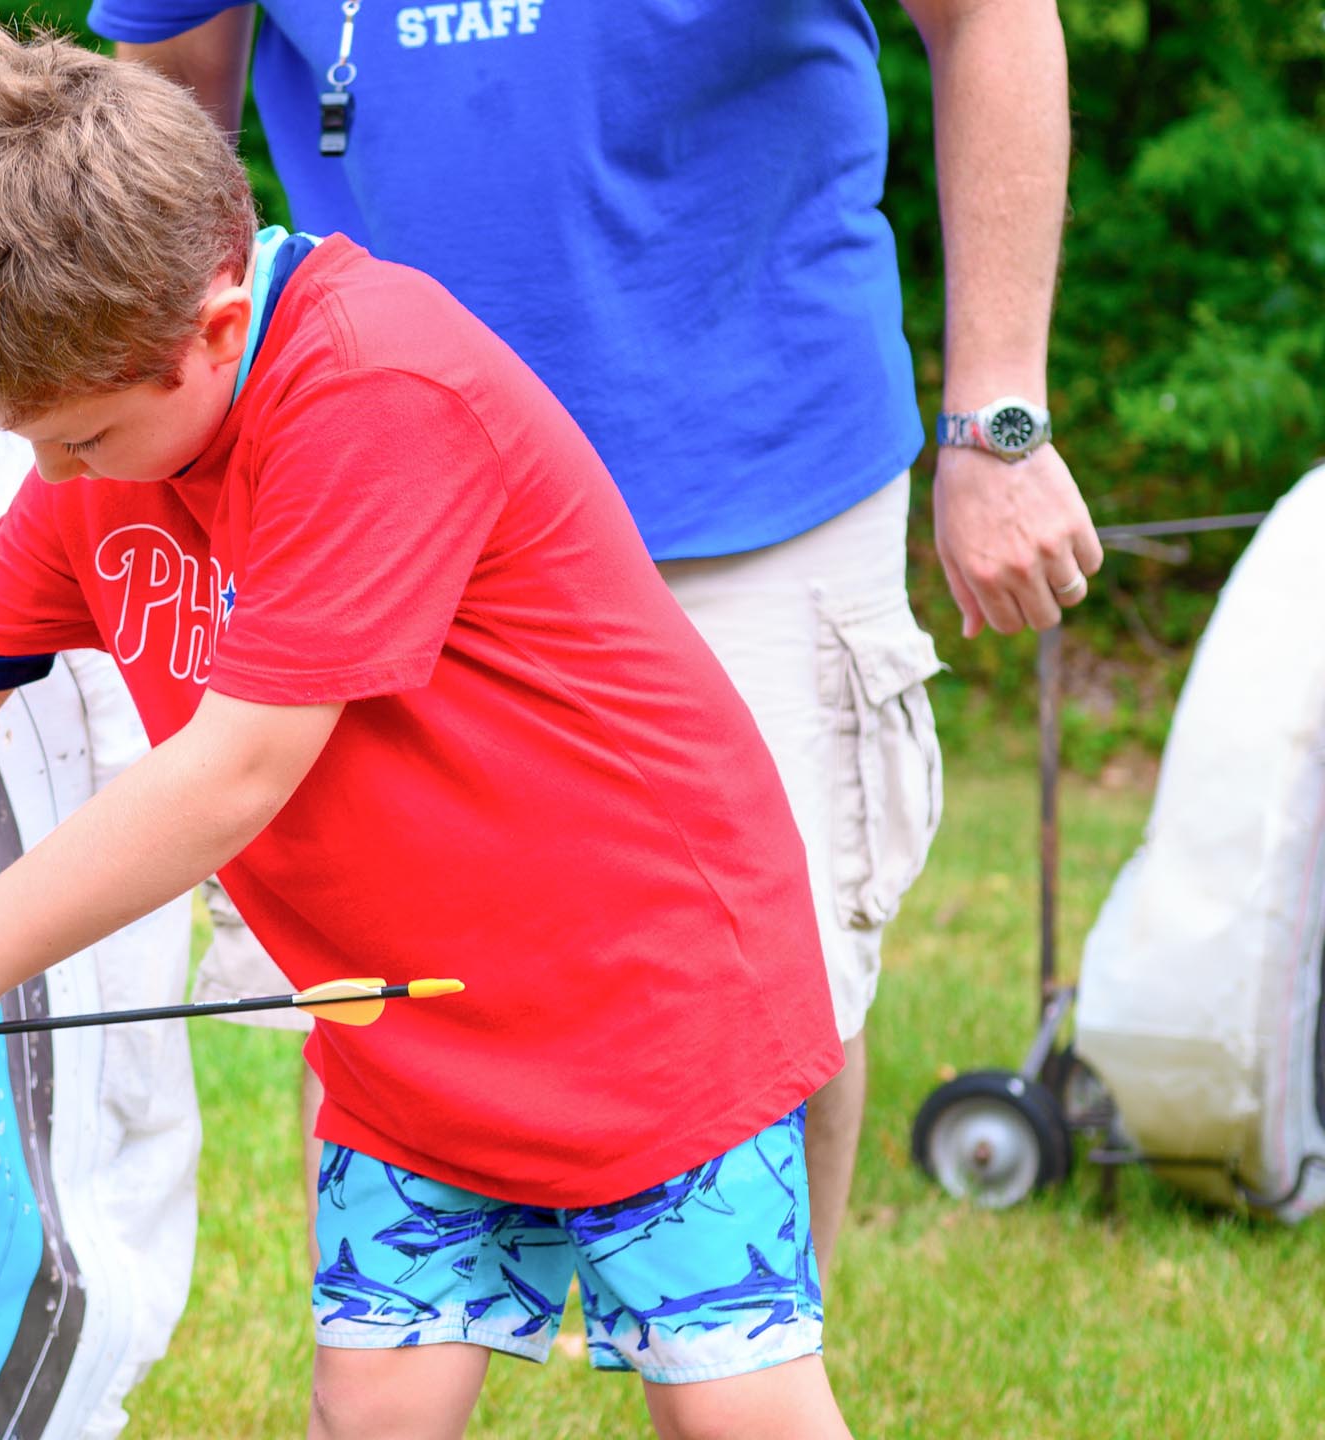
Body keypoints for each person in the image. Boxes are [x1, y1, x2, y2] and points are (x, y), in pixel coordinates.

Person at [0, 21, 854, 1437]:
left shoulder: (375, 390)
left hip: (650, 1002)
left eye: (78, 441)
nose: (55, 478)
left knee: (732, 1409)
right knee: (368, 1411)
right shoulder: (112, 440)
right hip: (412, 1046)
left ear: (212, 318)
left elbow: (234, 770)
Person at [100, 0, 1102, 1277]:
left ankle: (753, 1374)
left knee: (769, 993)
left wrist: (997, 413)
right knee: (387, 1001)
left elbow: (992, 17)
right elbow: (164, 99)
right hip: (384, 475)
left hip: (750, 473)